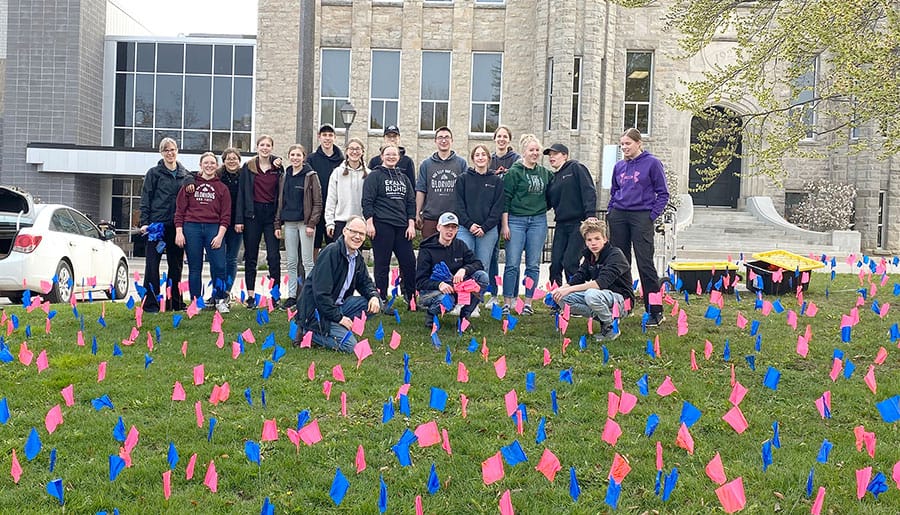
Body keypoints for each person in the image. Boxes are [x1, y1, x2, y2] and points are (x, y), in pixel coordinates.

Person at [608, 127, 670, 327]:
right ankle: (624, 304)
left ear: (638, 143)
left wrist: (651, 216)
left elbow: (663, 194)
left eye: (628, 143)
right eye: (622, 144)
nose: (624, 147)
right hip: (619, 216)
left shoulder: (652, 163)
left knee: (645, 263)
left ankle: (655, 311)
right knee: (620, 262)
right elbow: (614, 191)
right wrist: (611, 211)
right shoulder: (618, 167)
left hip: (641, 216)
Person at [293, 216, 381, 353]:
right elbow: (321, 295)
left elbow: (366, 283)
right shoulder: (331, 252)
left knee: (374, 303)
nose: (357, 236)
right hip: (316, 312)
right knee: (350, 346)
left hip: (337, 306)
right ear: (345, 231)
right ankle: (308, 332)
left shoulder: (357, 257)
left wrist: (374, 296)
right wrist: (340, 318)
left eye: (361, 234)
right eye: (354, 231)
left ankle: (335, 326)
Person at [550, 219, 634, 341]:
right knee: (562, 298)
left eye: (597, 239)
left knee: (591, 295)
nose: (593, 243)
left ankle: (611, 328)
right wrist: (559, 290)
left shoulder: (615, 255)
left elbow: (601, 283)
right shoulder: (589, 256)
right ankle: (605, 318)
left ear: (605, 239)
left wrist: (569, 289)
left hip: (621, 300)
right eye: (589, 240)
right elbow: (579, 276)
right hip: (600, 297)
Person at [501, 133, 552, 316]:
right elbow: (505, 200)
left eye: (537, 150)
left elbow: (553, 193)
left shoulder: (545, 173)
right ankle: (508, 302)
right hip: (516, 220)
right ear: (524, 151)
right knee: (512, 263)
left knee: (533, 264)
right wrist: (505, 225)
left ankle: (528, 302)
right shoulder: (514, 173)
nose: (535, 153)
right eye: (531, 150)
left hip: (537, 220)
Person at [361, 144, 417, 310]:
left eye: (395, 154)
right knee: (382, 264)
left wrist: (411, 223)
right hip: (382, 225)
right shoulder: (374, 176)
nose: (391, 157)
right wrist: (369, 223)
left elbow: (411, 202)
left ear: (399, 157)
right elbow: (367, 201)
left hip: (402, 227)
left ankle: (411, 298)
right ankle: (381, 298)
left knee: (408, 262)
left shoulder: (404, 178)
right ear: (382, 156)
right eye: (388, 154)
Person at [174, 152, 232, 313]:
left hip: (214, 228)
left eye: (212, 163)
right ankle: (195, 302)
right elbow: (179, 210)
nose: (209, 165)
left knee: (220, 266)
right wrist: (179, 231)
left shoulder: (222, 188)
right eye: (206, 163)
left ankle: (220, 300)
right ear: (200, 165)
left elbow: (226, 215)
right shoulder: (190, 185)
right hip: (192, 228)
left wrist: (220, 235)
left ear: (217, 166)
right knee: (194, 267)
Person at [139, 137, 188, 313]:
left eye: (172, 149)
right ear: (161, 153)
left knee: (176, 266)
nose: (170, 153)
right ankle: (151, 303)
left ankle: (174, 302)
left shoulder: (185, 175)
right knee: (152, 265)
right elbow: (146, 199)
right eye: (166, 150)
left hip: (177, 227)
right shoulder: (153, 173)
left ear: (177, 151)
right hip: (156, 226)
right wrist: (145, 223)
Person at [416, 212, 488, 330]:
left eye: (453, 227)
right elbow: (420, 282)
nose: (450, 231)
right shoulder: (426, 249)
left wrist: (464, 270)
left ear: (457, 230)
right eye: (446, 227)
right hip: (433, 291)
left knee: (482, 277)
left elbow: (478, 264)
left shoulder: (460, 245)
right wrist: (439, 284)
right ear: (439, 227)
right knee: (445, 301)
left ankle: (464, 317)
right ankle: (431, 314)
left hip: (457, 287)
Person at [235, 134, 284, 309]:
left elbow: (282, 192)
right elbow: (241, 193)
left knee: (273, 256)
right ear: (257, 147)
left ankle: (275, 296)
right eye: (262, 145)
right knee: (251, 256)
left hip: (271, 216)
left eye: (268, 145)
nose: (265, 147)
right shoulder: (248, 167)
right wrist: (239, 219)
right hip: (252, 215)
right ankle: (250, 296)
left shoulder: (277, 167)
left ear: (271, 147)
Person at [275, 144, 323, 310]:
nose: (295, 158)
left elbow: (318, 202)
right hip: (289, 223)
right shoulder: (285, 176)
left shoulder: (310, 175)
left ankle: (310, 296)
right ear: (289, 156)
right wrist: (277, 223)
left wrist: (311, 223)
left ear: (304, 157)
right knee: (292, 262)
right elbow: (280, 201)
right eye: (292, 155)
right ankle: (292, 296)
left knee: (308, 261)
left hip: (305, 224)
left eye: (298, 155)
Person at [545, 143, 598, 287]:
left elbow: (589, 190)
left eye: (555, 154)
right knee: (555, 264)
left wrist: (590, 214)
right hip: (561, 225)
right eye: (549, 155)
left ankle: (575, 296)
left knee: (570, 262)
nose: (551, 157)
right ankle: (556, 299)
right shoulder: (553, 178)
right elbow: (547, 202)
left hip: (578, 223)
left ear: (565, 155)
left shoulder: (576, 168)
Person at [455, 144, 504, 279]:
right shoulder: (463, 179)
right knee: (464, 266)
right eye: (477, 155)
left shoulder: (496, 181)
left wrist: (484, 227)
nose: (480, 157)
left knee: (483, 267)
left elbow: (497, 208)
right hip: (465, 229)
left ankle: (478, 299)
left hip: (487, 231)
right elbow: (458, 206)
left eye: (483, 154)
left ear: (488, 158)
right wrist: (469, 224)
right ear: (472, 158)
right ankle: (463, 299)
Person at [486, 125, 520, 303]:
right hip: (492, 212)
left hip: (512, 213)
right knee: (491, 254)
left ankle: (513, 294)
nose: (501, 139)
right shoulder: (488, 159)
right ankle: (493, 294)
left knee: (512, 256)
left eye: (505, 136)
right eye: (498, 136)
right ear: (494, 139)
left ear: (509, 139)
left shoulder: (516, 160)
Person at [415, 126, 468, 238]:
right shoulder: (426, 164)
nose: (443, 140)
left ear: (452, 141)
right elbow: (421, 190)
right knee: (430, 252)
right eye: (440, 137)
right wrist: (417, 213)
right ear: (435, 141)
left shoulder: (461, 163)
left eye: (447, 137)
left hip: (454, 218)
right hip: (431, 218)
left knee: (453, 253)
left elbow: (467, 191)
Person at [306, 125, 344, 258]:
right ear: (319, 137)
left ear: (334, 137)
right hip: (316, 209)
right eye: (324, 135)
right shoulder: (311, 159)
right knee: (314, 245)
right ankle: (314, 275)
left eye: (330, 135)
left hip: (334, 210)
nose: (327, 138)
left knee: (333, 245)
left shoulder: (342, 161)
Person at [325, 138, 368, 239]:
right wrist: (329, 222)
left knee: (356, 254)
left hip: (360, 222)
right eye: (351, 149)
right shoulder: (337, 173)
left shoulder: (369, 174)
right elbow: (331, 199)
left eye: (358, 149)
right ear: (347, 151)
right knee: (339, 253)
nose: (354, 152)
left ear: (362, 152)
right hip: (340, 221)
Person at [217, 148, 243, 300]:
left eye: (235, 158)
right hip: (219, 222)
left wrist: (275, 161)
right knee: (219, 259)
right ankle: (217, 291)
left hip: (237, 222)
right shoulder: (218, 176)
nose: (232, 161)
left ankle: (226, 291)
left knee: (231, 258)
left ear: (239, 161)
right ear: (224, 161)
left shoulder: (244, 175)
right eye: (228, 158)